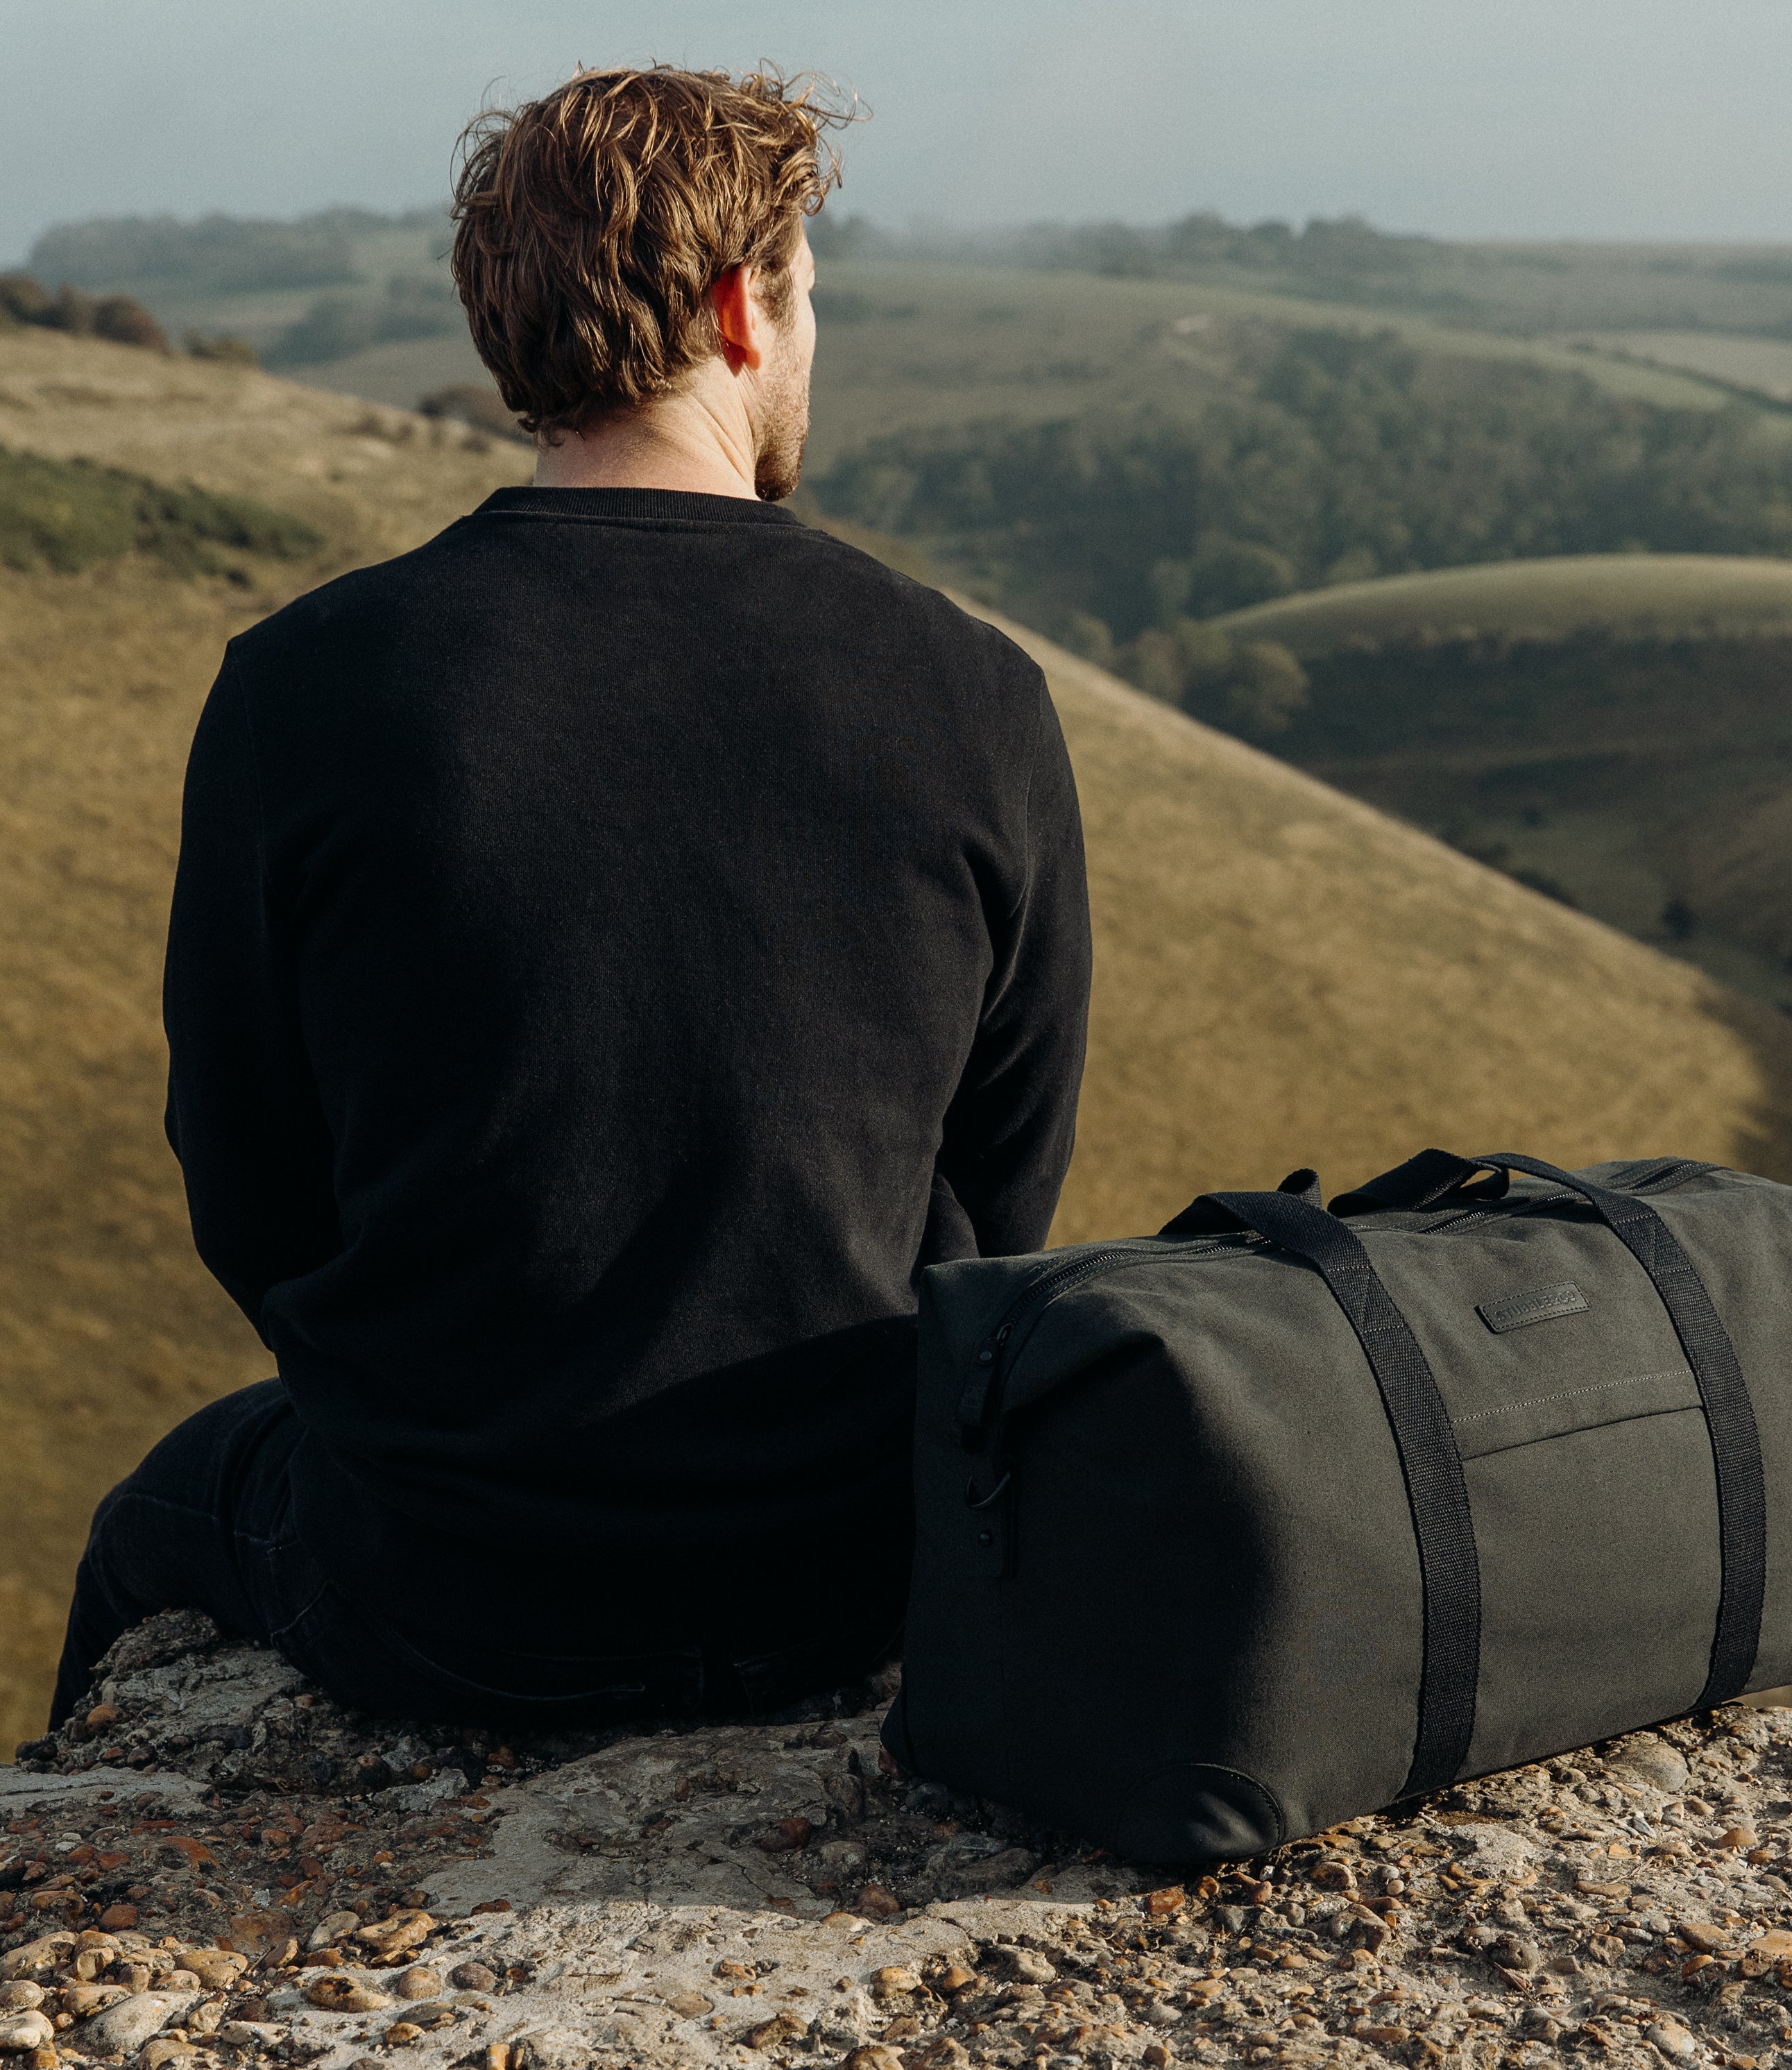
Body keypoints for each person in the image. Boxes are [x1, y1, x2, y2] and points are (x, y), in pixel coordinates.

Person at [51, 65, 1091, 1731]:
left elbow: (251, 1188)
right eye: (811, 291)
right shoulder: (974, 691)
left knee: (152, 1524)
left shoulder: (305, 687)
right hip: (854, 1575)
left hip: (448, 1596)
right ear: (743, 306)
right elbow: (1002, 1193)